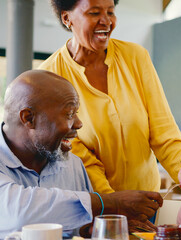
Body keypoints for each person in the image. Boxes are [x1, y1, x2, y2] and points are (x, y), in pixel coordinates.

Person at [38, 0, 181, 193]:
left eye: (110, 12)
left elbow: (165, 135)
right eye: (94, 13)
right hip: (95, 206)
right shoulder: (50, 75)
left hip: (147, 199)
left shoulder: (135, 57)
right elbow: (78, 155)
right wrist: (114, 204)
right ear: (67, 18)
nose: (106, 21)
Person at [0, 70, 163, 238]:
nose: (79, 123)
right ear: (28, 118)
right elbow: (18, 214)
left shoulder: (72, 164)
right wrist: (111, 203)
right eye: (70, 114)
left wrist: (96, 227)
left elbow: (79, 222)